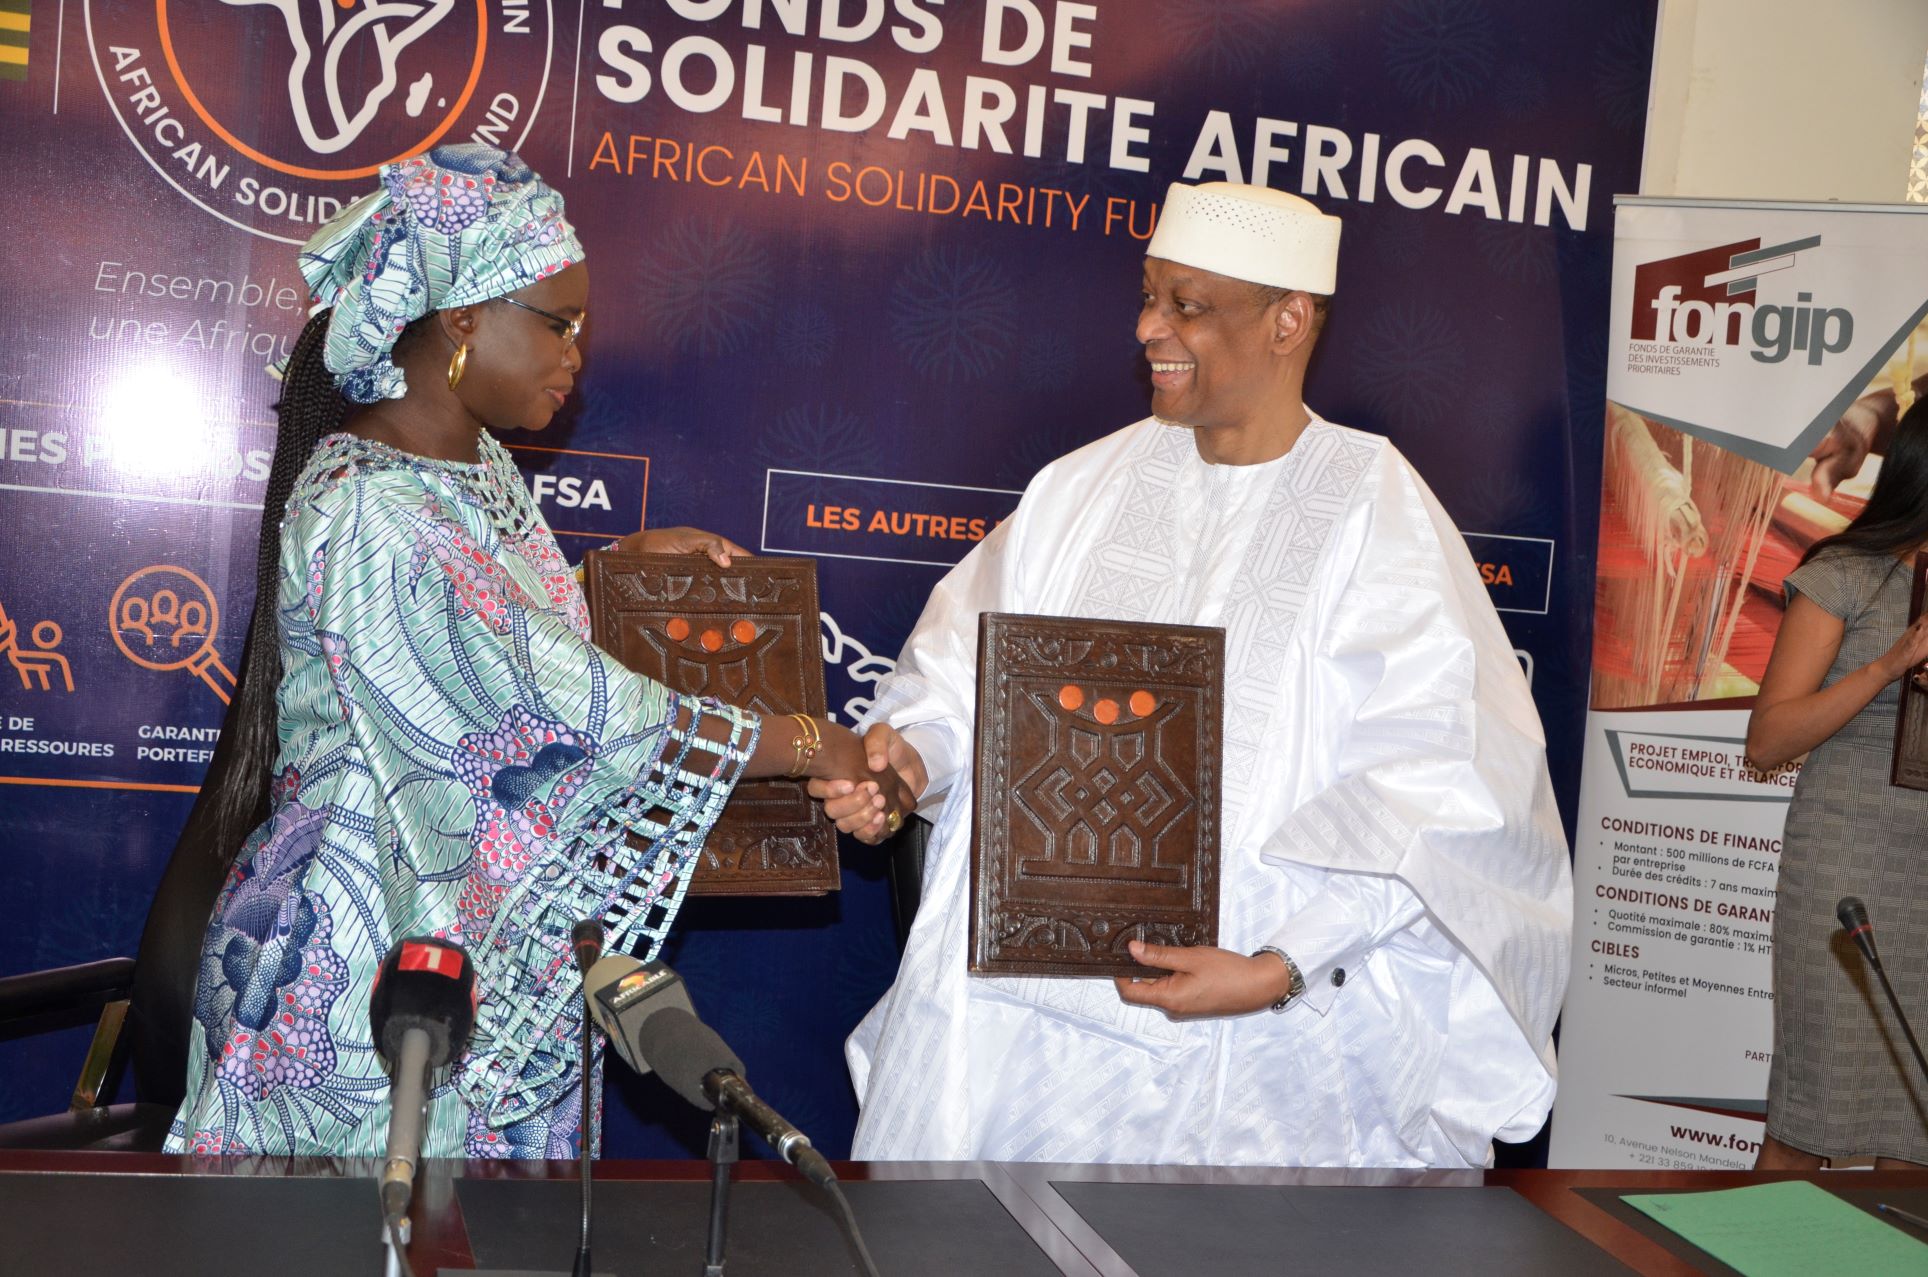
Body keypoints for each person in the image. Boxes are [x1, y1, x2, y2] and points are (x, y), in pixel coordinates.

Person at [165, 145, 905, 1158]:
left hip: (460, 941)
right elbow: (540, 711)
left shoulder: (476, 469)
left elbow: (489, 637)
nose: (575, 354)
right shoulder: (366, 500)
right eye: (555, 324)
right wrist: (803, 740)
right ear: (462, 317)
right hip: (361, 986)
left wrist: (617, 573)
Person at [815, 181, 1573, 1168]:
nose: (1146, 328)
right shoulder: (1077, 489)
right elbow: (963, 675)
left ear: (1288, 319)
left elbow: (1439, 784)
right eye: (1146, 295)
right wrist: (909, 761)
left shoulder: (1372, 510)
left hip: (1253, 1047)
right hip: (1020, 1039)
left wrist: (1279, 965)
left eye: (1187, 304)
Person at [1746, 396, 1928, 1171]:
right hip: (1845, 871)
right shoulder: (1845, 572)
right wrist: (1892, 664)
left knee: (1915, 1142)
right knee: (1807, 1123)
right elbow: (1768, 738)